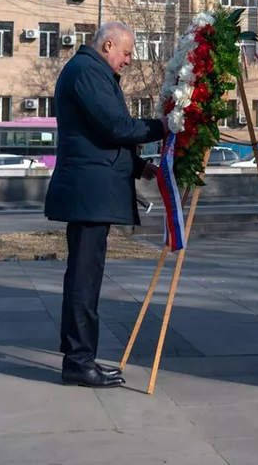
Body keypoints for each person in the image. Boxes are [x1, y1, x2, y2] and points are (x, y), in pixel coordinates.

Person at [44, 21, 165, 388]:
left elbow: (99, 136)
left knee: (86, 277)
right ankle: (79, 362)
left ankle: (80, 357)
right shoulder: (87, 71)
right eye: (126, 53)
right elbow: (116, 126)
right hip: (89, 194)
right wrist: (165, 126)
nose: (128, 61)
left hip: (92, 192)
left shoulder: (91, 71)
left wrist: (140, 167)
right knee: (84, 279)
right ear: (108, 45)